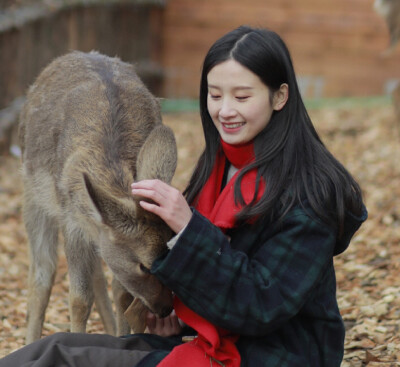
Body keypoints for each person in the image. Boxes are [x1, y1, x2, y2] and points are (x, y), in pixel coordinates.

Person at [0, 25, 367, 367]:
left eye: (242, 96)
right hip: (215, 340)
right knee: (52, 348)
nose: (225, 110)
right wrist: (179, 320)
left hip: (277, 356)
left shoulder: (308, 193)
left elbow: (262, 306)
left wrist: (189, 228)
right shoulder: (222, 166)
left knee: (60, 360)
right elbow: (222, 285)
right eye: (214, 95)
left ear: (280, 96)